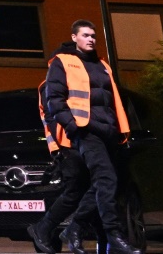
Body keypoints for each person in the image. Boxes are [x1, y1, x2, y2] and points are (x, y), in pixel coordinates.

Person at [28, 20, 135, 254]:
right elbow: (51, 109)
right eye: (85, 35)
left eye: (93, 36)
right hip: (75, 139)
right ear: (74, 38)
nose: (91, 39)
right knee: (93, 186)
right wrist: (70, 130)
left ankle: (74, 231)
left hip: (101, 134)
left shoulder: (101, 66)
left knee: (98, 186)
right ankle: (100, 235)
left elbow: (109, 100)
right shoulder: (62, 66)